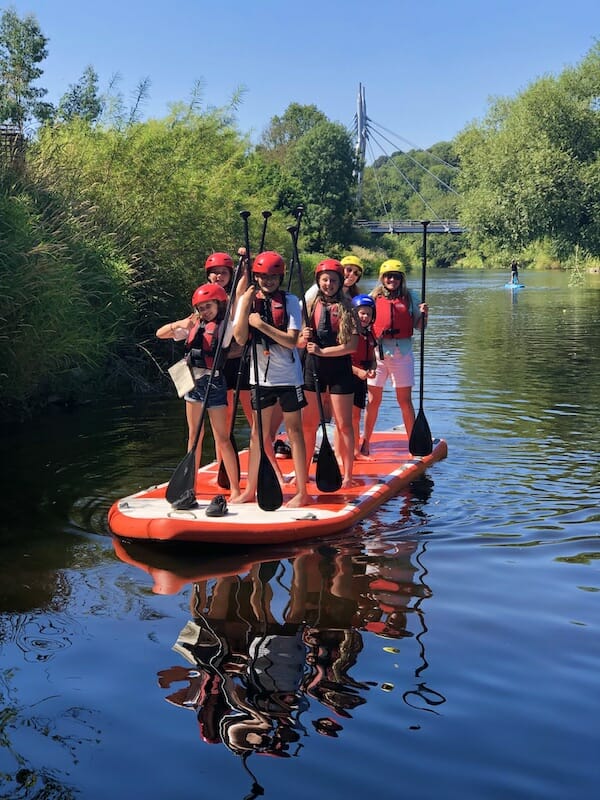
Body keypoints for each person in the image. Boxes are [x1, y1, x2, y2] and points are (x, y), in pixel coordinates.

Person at [233, 251, 309, 508]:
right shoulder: (249, 300)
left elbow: (291, 341)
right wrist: (244, 305)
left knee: (294, 432)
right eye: (263, 277)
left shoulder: (290, 301)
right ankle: (250, 490)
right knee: (257, 435)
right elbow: (240, 338)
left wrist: (261, 325)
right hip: (260, 377)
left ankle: (302, 491)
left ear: (280, 278)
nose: (268, 281)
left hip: (288, 376)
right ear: (256, 277)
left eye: (273, 277)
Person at [156, 283, 241, 501]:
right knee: (194, 436)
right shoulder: (193, 324)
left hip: (214, 383)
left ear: (219, 305)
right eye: (201, 308)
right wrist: (179, 324)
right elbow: (160, 334)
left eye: (209, 306)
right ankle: (189, 486)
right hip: (193, 384)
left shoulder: (226, 326)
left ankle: (235, 489)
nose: (205, 311)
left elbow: (238, 323)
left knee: (222, 438)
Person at [299, 259, 358, 489]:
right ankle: (303, 473)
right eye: (325, 280)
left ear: (340, 282)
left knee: (344, 425)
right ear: (318, 281)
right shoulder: (309, 306)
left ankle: (348, 475)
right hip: (313, 368)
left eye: (333, 280)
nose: (329, 284)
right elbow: (297, 342)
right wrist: (303, 338)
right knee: (308, 425)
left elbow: (351, 346)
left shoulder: (348, 308)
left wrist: (322, 351)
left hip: (339, 370)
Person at [360, 259, 428, 456]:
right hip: (377, 354)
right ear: (382, 278)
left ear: (401, 279)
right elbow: (362, 320)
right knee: (373, 400)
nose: (392, 280)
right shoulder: (373, 297)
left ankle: (413, 443)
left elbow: (420, 326)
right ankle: (365, 443)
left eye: (396, 277)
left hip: (402, 354)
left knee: (404, 400)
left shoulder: (411, 297)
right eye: (388, 276)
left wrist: (424, 315)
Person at [350, 295, 377, 460]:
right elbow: (341, 360)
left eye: (368, 314)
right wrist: (357, 372)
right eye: (362, 313)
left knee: (356, 416)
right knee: (347, 418)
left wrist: (372, 369)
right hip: (348, 377)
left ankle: (355, 450)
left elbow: (373, 359)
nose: (365, 317)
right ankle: (347, 452)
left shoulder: (370, 334)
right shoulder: (349, 334)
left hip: (361, 379)